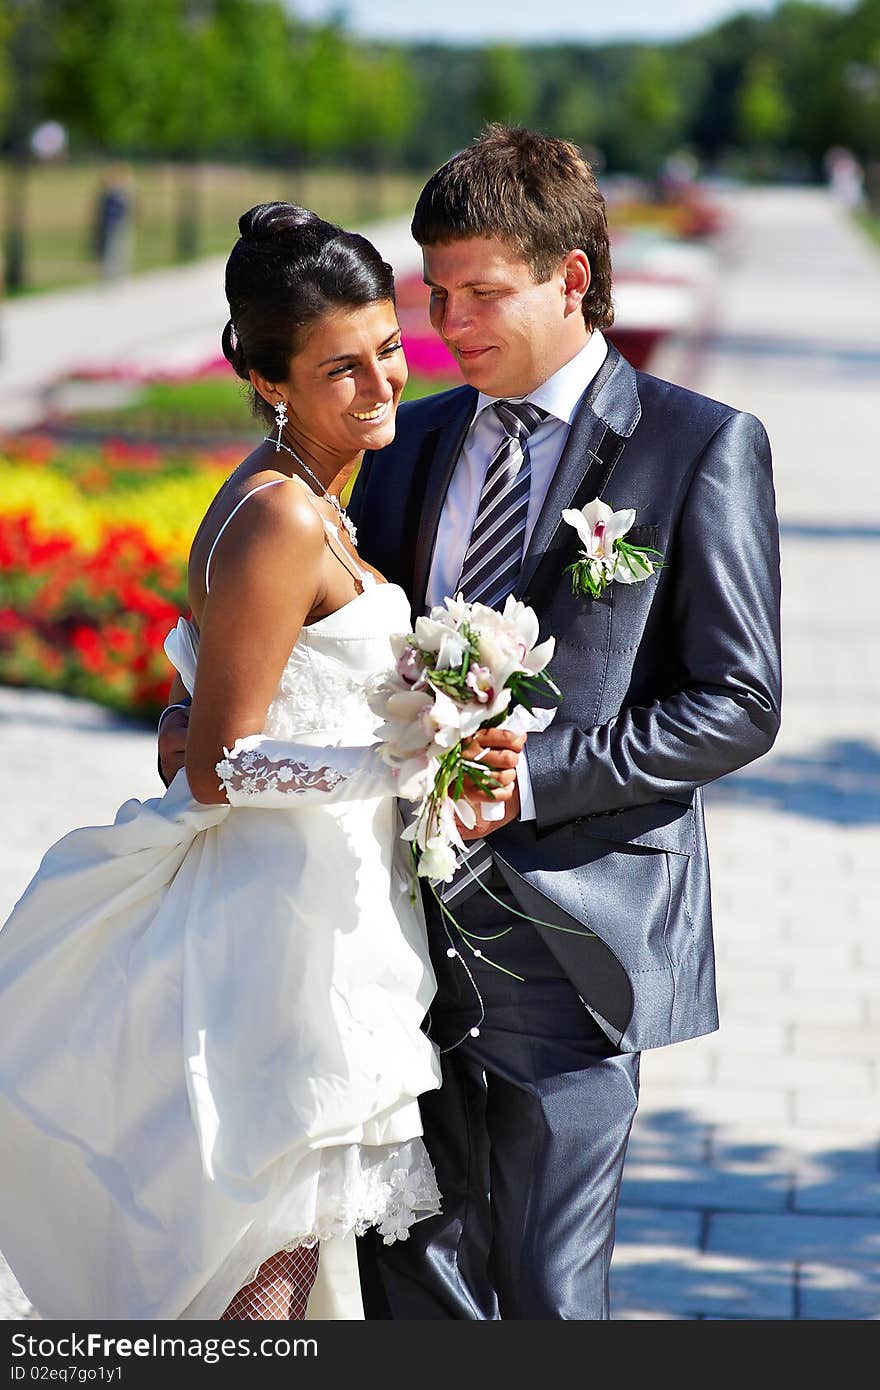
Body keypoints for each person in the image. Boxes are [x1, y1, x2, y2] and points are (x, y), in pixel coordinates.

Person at [0, 203, 524, 1322]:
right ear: (269, 377)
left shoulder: (311, 496)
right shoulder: (284, 515)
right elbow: (219, 765)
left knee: (294, 1272)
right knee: (269, 1278)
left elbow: (216, 700)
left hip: (323, 909)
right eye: (342, 367)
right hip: (283, 945)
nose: (383, 382)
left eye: (388, 347)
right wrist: (404, 759)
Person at [344, 125, 782, 1320]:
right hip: (391, 933)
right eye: (435, 294)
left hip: (579, 937)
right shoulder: (411, 444)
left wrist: (530, 777)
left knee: (547, 1288)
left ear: (570, 277)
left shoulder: (698, 446)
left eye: (481, 292)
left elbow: (739, 702)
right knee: (408, 1273)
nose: (450, 324)